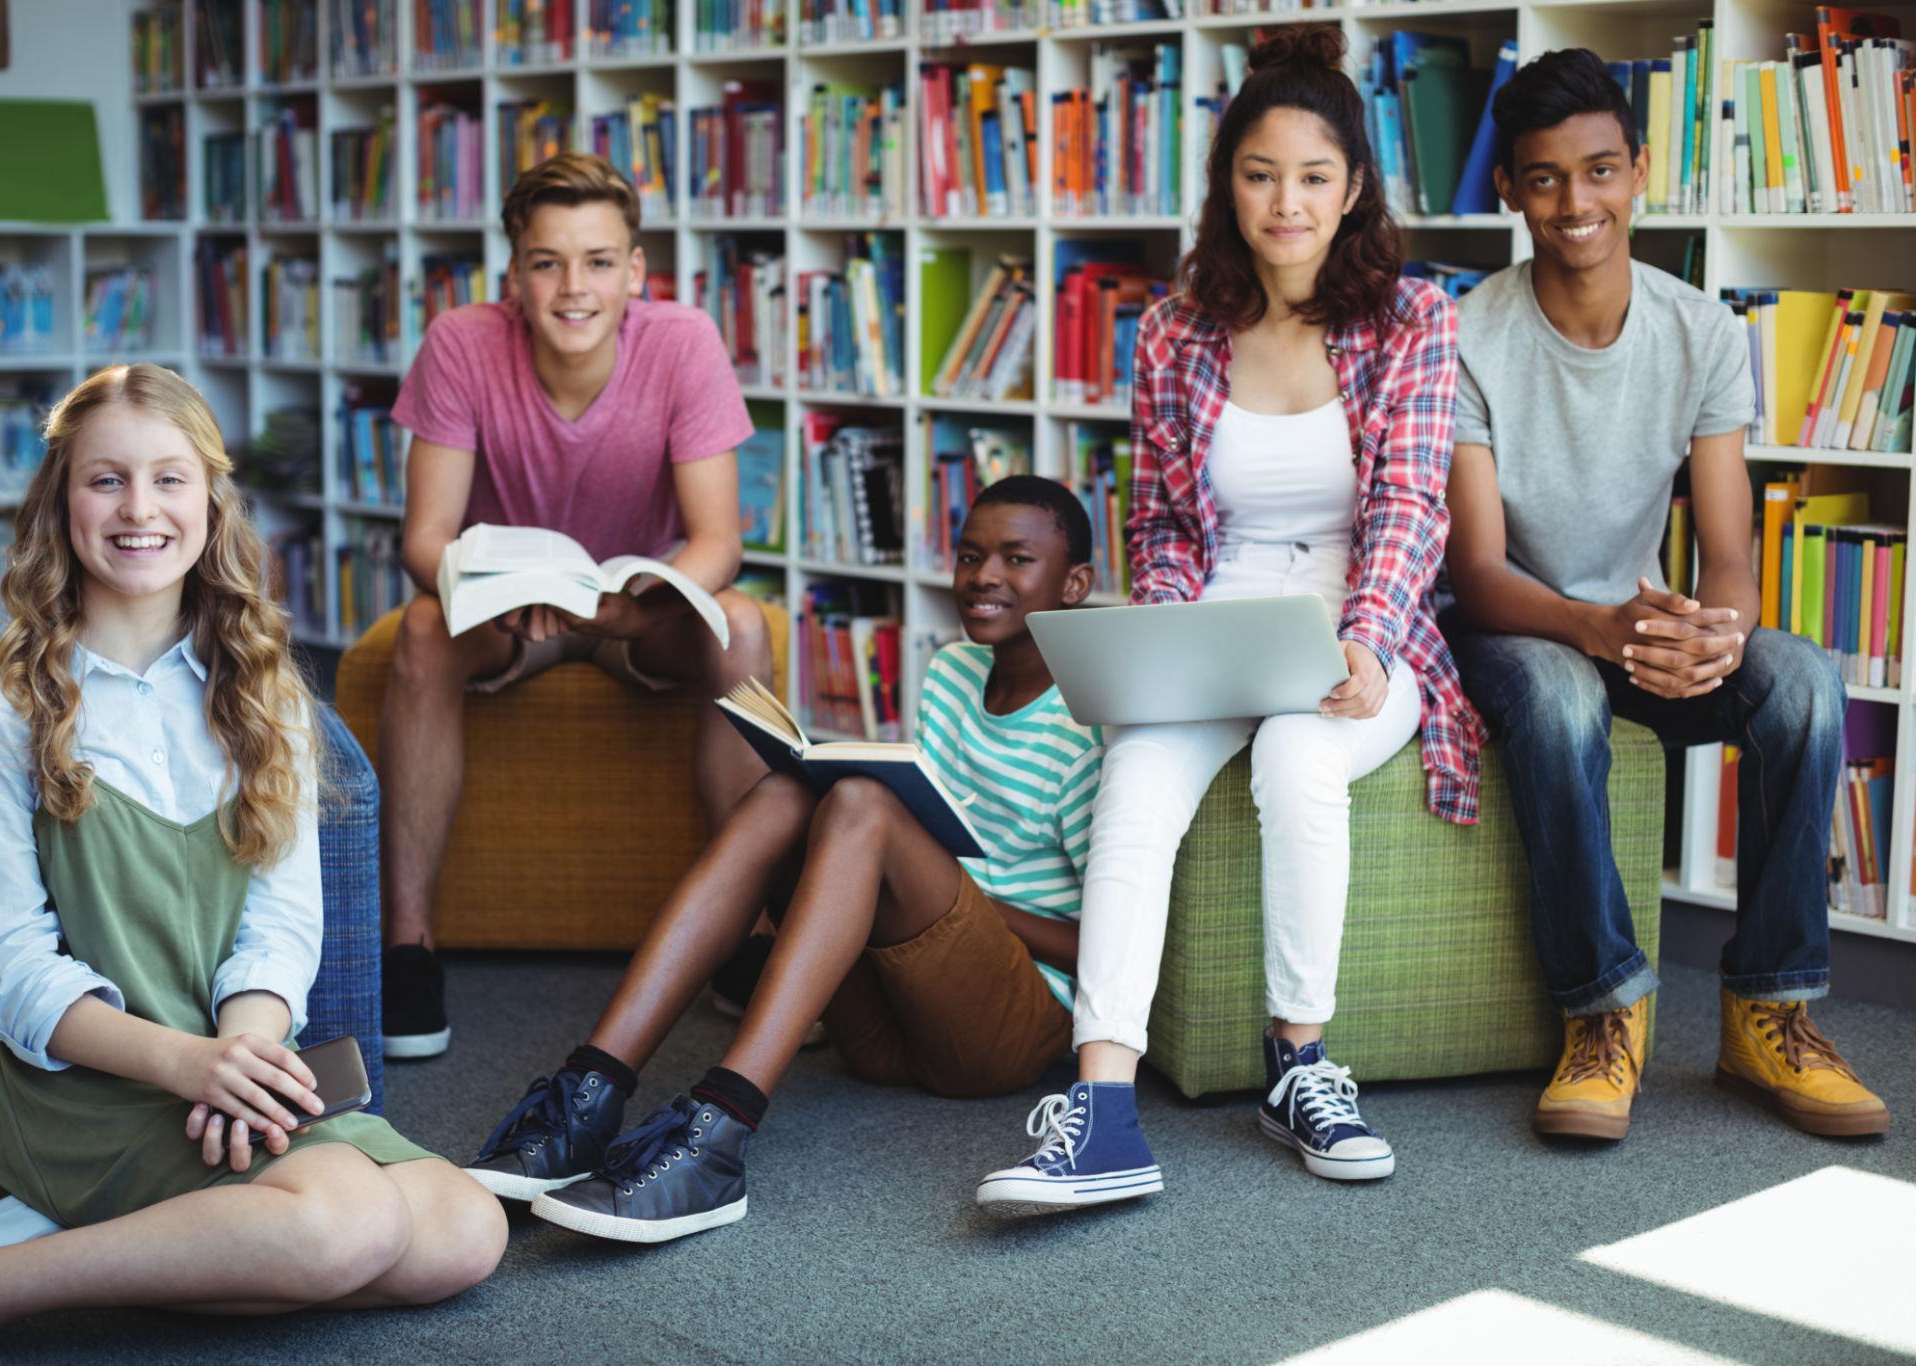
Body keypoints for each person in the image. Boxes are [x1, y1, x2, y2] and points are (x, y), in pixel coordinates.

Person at [0, 366, 505, 1363]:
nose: (139, 508)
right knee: (350, 1220)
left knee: (467, 1230)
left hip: (223, 1061)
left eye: (169, 478)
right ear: (61, 500)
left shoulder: (266, 693)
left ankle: (98, 1245)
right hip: (82, 1084)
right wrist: (184, 1063)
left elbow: (281, 925)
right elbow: (8, 969)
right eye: (105, 479)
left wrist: (240, 1057)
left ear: (209, 499)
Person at [976, 27, 1481, 1208]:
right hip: (1215, 621)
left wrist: (1364, 637)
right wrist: (1164, 635)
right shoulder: (1173, 329)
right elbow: (1154, 520)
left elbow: (1410, 502)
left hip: (1360, 630)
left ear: (1353, 186)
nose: (1284, 202)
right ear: (1226, 185)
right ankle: (1101, 1105)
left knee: (1299, 757)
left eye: (1312, 176)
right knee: (1137, 768)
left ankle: (1299, 1062)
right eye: (1259, 175)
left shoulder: (1413, 318)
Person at [459, 477, 1104, 1241]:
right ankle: (586, 1093)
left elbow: (1111, 944)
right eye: (969, 555)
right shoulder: (950, 674)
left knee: (863, 806)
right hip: (893, 1024)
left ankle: (719, 1136)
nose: (984, 576)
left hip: (1003, 1032)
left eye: (1016, 559)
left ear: (1074, 584)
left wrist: (958, 898)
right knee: (786, 792)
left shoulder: (1090, 718)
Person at [1442, 48, 1889, 1141]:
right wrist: (1593, 623)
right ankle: (1602, 1012)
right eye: (1542, 178)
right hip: (1522, 630)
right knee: (1557, 696)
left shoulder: (1699, 330)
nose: (1574, 202)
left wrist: (1715, 636)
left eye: (1598, 171)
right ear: (1505, 188)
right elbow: (1477, 573)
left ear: (1638, 171)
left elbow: (1728, 550)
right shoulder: (1465, 334)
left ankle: (1767, 1010)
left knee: (1801, 681)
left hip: (1641, 630)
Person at [380, 151, 774, 1058]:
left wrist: (637, 605)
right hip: (510, 614)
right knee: (424, 629)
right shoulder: (460, 342)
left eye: (599, 261)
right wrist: (504, 593)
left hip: (634, 612)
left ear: (636, 271)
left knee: (744, 624)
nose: (574, 287)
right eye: (548, 262)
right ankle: (410, 945)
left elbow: (718, 538)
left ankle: (746, 936)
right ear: (513, 274)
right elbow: (425, 538)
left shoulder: (683, 342)